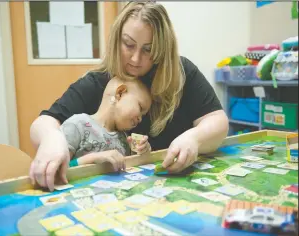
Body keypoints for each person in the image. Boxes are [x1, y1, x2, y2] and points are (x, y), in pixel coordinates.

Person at [29, 1, 229, 191]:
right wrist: (52, 139)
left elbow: (217, 121)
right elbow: (44, 121)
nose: (135, 59)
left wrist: (194, 138)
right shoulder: (98, 81)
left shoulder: (181, 72)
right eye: (128, 44)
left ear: (162, 49)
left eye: (148, 49)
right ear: (117, 39)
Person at [60, 76, 152, 171]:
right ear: (120, 93)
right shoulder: (77, 125)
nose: (140, 119)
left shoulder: (124, 140)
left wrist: (141, 154)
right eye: (140, 108)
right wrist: (92, 159)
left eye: (143, 115)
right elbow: (55, 171)